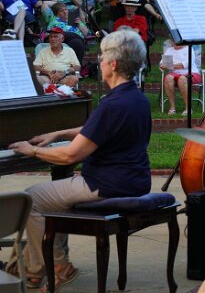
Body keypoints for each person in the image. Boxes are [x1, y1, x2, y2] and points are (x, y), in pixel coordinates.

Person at [9, 29, 151, 292]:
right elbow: (97, 130)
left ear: (113, 64)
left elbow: (70, 155)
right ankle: (39, 264)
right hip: (134, 179)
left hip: (106, 184)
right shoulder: (136, 98)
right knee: (54, 195)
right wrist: (59, 133)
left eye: (102, 57)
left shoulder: (112, 104)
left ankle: (50, 267)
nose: (99, 61)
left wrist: (32, 151)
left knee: (32, 198)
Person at [160, 42, 201, 115]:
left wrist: (169, 66)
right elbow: (162, 63)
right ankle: (172, 108)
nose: (174, 42)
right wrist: (163, 65)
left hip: (190, 72)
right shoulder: (169, 50)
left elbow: (185, 65)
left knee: (182, 78)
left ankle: (188, 108)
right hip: (174, 73)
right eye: (173, 40)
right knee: (168, 78)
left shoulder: (189, 49)